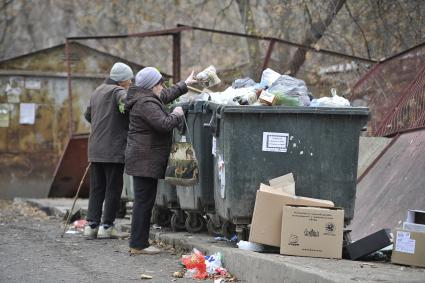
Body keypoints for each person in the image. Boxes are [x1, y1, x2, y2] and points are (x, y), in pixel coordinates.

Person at [125, 67, 196, 255]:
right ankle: (138, 245)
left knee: (144, 202)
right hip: (144, 160)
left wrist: (184, 84)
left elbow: (164, 96)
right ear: (151, 86)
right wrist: (177, 114)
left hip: (143, 159)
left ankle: (138, 243)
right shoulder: (145, 103)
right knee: (143, 203)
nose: (162, 86)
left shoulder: (146, 98)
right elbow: (163, 125)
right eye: (159, 83)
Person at [83, 62, 134, 239]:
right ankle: (107, 226)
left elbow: (87, 115)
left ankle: (91, 226)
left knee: (97, 188)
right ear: (122, 80)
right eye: (129, 79)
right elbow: (128, 105)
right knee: (113, 188)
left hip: (96, 148)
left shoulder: (97, 91)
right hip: (113, 149)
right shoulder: (118, 92)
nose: (130, 82)